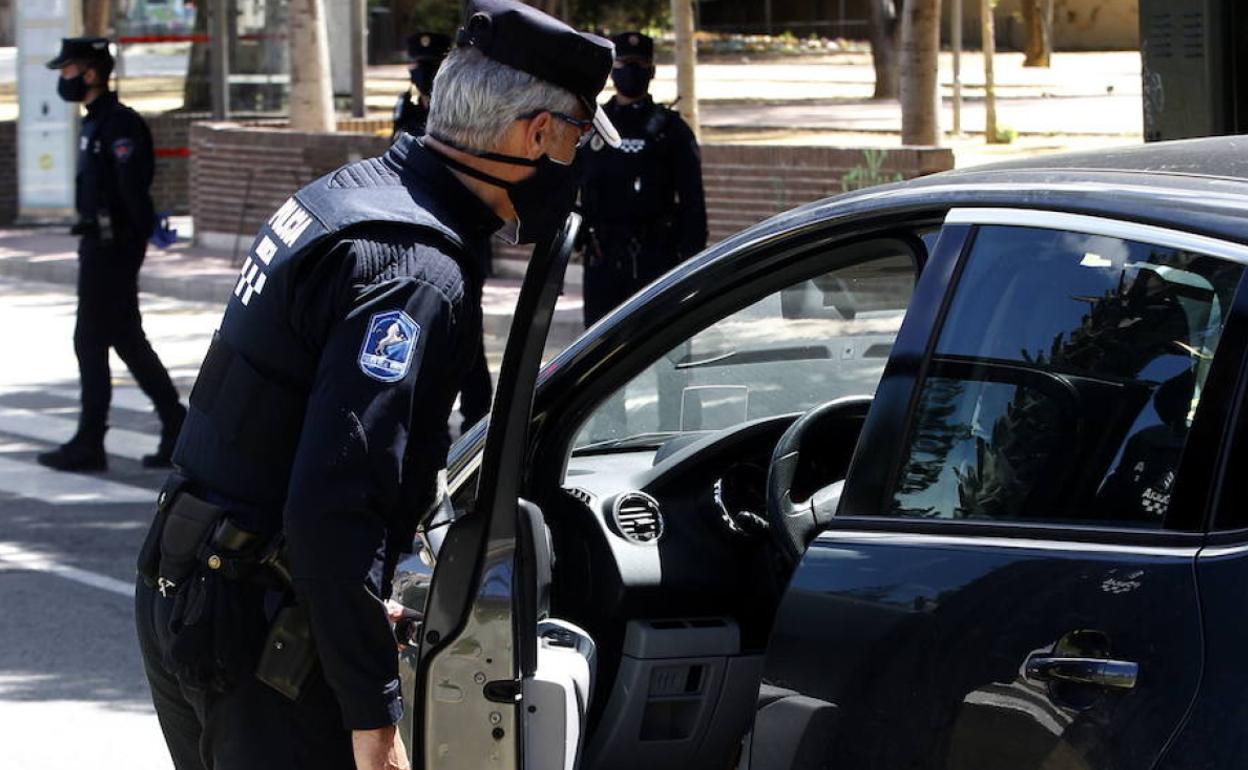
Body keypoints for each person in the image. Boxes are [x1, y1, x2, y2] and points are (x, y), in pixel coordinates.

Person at [133, 3, 618, 769]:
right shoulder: (411, 267)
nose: (578, 158)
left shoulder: (353, 198)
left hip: (194, 582)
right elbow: (333, 503)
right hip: (264, 637)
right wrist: (373, 718)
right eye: (578, 136)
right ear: (535, 134)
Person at [38, 37, 186, 472]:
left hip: (112, 248)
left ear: (90, 72)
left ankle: (91, 441)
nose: (63, 79)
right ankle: (176, 423)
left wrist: (139, 236)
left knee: (91, 341)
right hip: (99, 245)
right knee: (125, 339)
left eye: (67, 70)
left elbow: (131, 190)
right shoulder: (96, 122)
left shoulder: (119, 125)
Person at [392, 31, 493, 436]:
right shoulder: (407, 108)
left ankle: (477, 415)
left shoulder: (464, 111)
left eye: (428, 64)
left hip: (458, 235)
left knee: (464, 332)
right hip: (414, 233)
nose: (420, 72)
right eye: (415, 64)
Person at [578, 31, 708, 327]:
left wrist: (691, 263)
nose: (631, 71)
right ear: (612, 69)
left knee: (661, 345)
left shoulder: (671, 130)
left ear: (651, 70)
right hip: (603, 257)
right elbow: (568, 185)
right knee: (600, 353)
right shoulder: (592, 125)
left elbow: (693, 202)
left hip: (657, 256)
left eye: (638, 63)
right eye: (623, 63)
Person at [391, 32, 451, 142]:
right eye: (419, 66)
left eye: (432, 66)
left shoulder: (455, 108)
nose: (424, 73)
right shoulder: (406, 106)